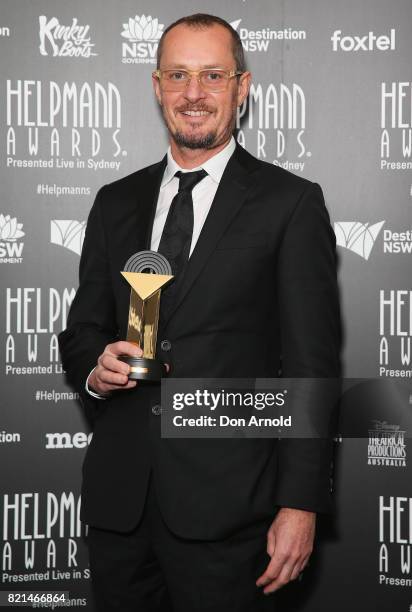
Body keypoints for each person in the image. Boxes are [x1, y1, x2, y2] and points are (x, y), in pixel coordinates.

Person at [58, 13, 341, 612]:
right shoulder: (115, 202)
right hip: (121, 509)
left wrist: (301, 504)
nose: (194, 94)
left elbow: (311, 367)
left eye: (213, 75)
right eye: (178, 75)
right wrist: (95, 367)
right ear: (156, 86)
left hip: (232, 516)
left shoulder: (289, 204)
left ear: (243, 87)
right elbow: (82, 328)